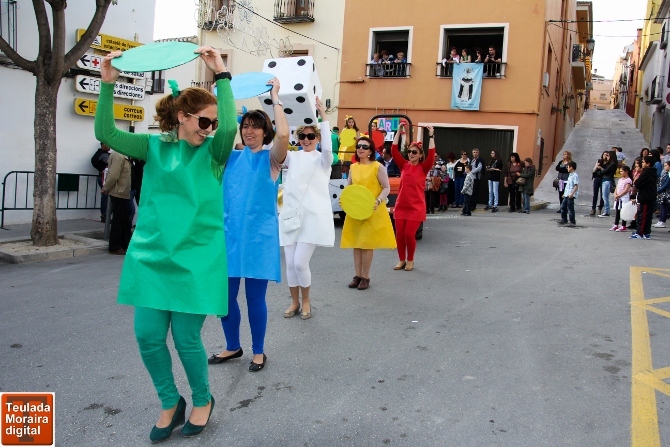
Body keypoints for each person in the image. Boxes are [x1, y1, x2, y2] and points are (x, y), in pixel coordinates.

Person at [96, 46, 237, 442]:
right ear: (182, 117)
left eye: (213, 123)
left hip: (197, 261)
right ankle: (169, 401)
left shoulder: (214, 154)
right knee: (147, 336)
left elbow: (229, 128)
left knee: (186, 339)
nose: (210, 129)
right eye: (204, 121)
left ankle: (203, 399)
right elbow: (106, 134)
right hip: (152, 259)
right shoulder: (153, 147)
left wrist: (221, 75)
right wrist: (107, 85)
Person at [211, 83, 289, 373]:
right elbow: (217, 133)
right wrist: (221, 94)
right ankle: (233, 345)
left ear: (265, 132)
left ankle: (258, 351)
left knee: (255, 298)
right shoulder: (228, 158)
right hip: (229, 238)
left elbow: (283, 135)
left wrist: (275, 98)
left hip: (259, 239)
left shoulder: (271, 159)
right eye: (245, 125)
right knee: (224, 298)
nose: (249, 131)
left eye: (256, 126)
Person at [279, 98, 334, 320]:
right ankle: (294, 302)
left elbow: (328, 148)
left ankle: (307, 300)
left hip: (312, 218)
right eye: (302, 135)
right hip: (290, 216)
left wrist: (324, 118)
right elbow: (276, 146)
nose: (306, 139)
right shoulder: (292, 157)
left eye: (311, 136)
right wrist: (278, 107)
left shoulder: (323, 159)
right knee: (290, 265)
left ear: (317, 138)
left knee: (300, 263)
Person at [340, 136, 396, 290]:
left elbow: (386, 188)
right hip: (356, 211)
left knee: (366, 244)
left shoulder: (378, 167)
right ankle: (357, 275)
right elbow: (349, 188)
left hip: (371, 210)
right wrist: (344, 200)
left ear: (371, 151)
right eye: (359, 146)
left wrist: (378, 200)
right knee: (356, 243)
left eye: (365, 147)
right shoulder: (353, 167)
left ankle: (366, 277)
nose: (361, 149)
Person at [391, 123, 435, 271]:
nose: (411, 154)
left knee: (409, 235)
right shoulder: (404, 165)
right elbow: (394, 150)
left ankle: (410, 260)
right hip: (401, 206)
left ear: (420, 155)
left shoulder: (424, 168)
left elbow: (431, 153)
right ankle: (401, 260)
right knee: (399, 235)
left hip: (416, 207)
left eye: (414, 152)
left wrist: (431, 135)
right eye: (409, 151)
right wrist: (398, 132)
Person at [101, 150, 132, 254]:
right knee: (118, 220)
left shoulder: (124, 155)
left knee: (125, 220)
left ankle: (125, 244)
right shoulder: (119, 156)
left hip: (123, 192)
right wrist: (106, 187)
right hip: (118, 192)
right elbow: (113, 175)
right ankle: (115, 246)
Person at [630, 156, 658, 239]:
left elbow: (637, 183)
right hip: (649, 196)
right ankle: (645, 232)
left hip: (645, 197)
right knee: (647, 215)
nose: (642, 164)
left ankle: (641, 232)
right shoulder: (652, 172)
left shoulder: (647, 173)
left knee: (643, 215)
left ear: (648, 164)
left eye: (643, 162)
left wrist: (636, 180)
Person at [91, 143, 110, 222]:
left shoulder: (107, 154)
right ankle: (104, 215)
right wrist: (101, 169)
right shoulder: (99, 153)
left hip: (108, 177)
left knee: (107, 197)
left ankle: (107, 214)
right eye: (108, 145)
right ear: (103, 145)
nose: (109, 147)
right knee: (105, 196)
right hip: (103, 178)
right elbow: (93, 160)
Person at [611, 165, 632, 232]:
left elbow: (626, 190)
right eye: (620, 171)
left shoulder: (628, 180)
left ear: (626, 171)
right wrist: (615, 194)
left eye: (622, 171)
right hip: (618, 197)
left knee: (623, 211)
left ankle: (623, 225)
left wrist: (619, 195)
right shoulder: (620, 179)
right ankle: (616, 224)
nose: (621, 173)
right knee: (617, 211)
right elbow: (617, 188)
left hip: (624, 198)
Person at [558, 161, 579, 227]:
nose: (567, 168)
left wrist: (572, 194)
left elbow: (576, 186)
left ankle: (572, 222)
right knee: (563, 207)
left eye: (568, 167)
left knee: (570, 208)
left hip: (570, 195)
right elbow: (567, 186)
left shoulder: (575, 175)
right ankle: (564, 219)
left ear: (571, 167)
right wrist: (564, 194)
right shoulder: (570, 175)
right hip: (567, 194)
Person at [597, 150, 617, 218]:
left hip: (607, 180)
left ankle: (607, 211)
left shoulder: (613, 164)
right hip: (604, 180)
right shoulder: (609, 163)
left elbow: (606, 171)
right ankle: (606, 210)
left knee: (605, 197)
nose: (607, 157)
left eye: (608, 155)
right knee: (604, 196)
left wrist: (601, 169)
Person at [653, 161, 670, 228]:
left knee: (664, 206)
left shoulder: (669, 174)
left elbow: (666, 184)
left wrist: (658, 190)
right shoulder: (665, 173)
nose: (664, 167)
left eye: (666, 165)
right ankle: (660, 220)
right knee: (662, 206)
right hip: (662, 192)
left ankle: (663, 221)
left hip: (666, 192)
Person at [590, 151, 607, 216]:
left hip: (603, 179)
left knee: (602, 195)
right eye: (604, 154)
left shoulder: (609, 163)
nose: (605, 156)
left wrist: (601, 168)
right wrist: (596, 166)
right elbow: (594, 170)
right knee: (595, 194)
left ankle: (600, 208)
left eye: (606, 155)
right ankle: (593, 208)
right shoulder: (599, 161)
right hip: (597, 178)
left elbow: (607, 172)